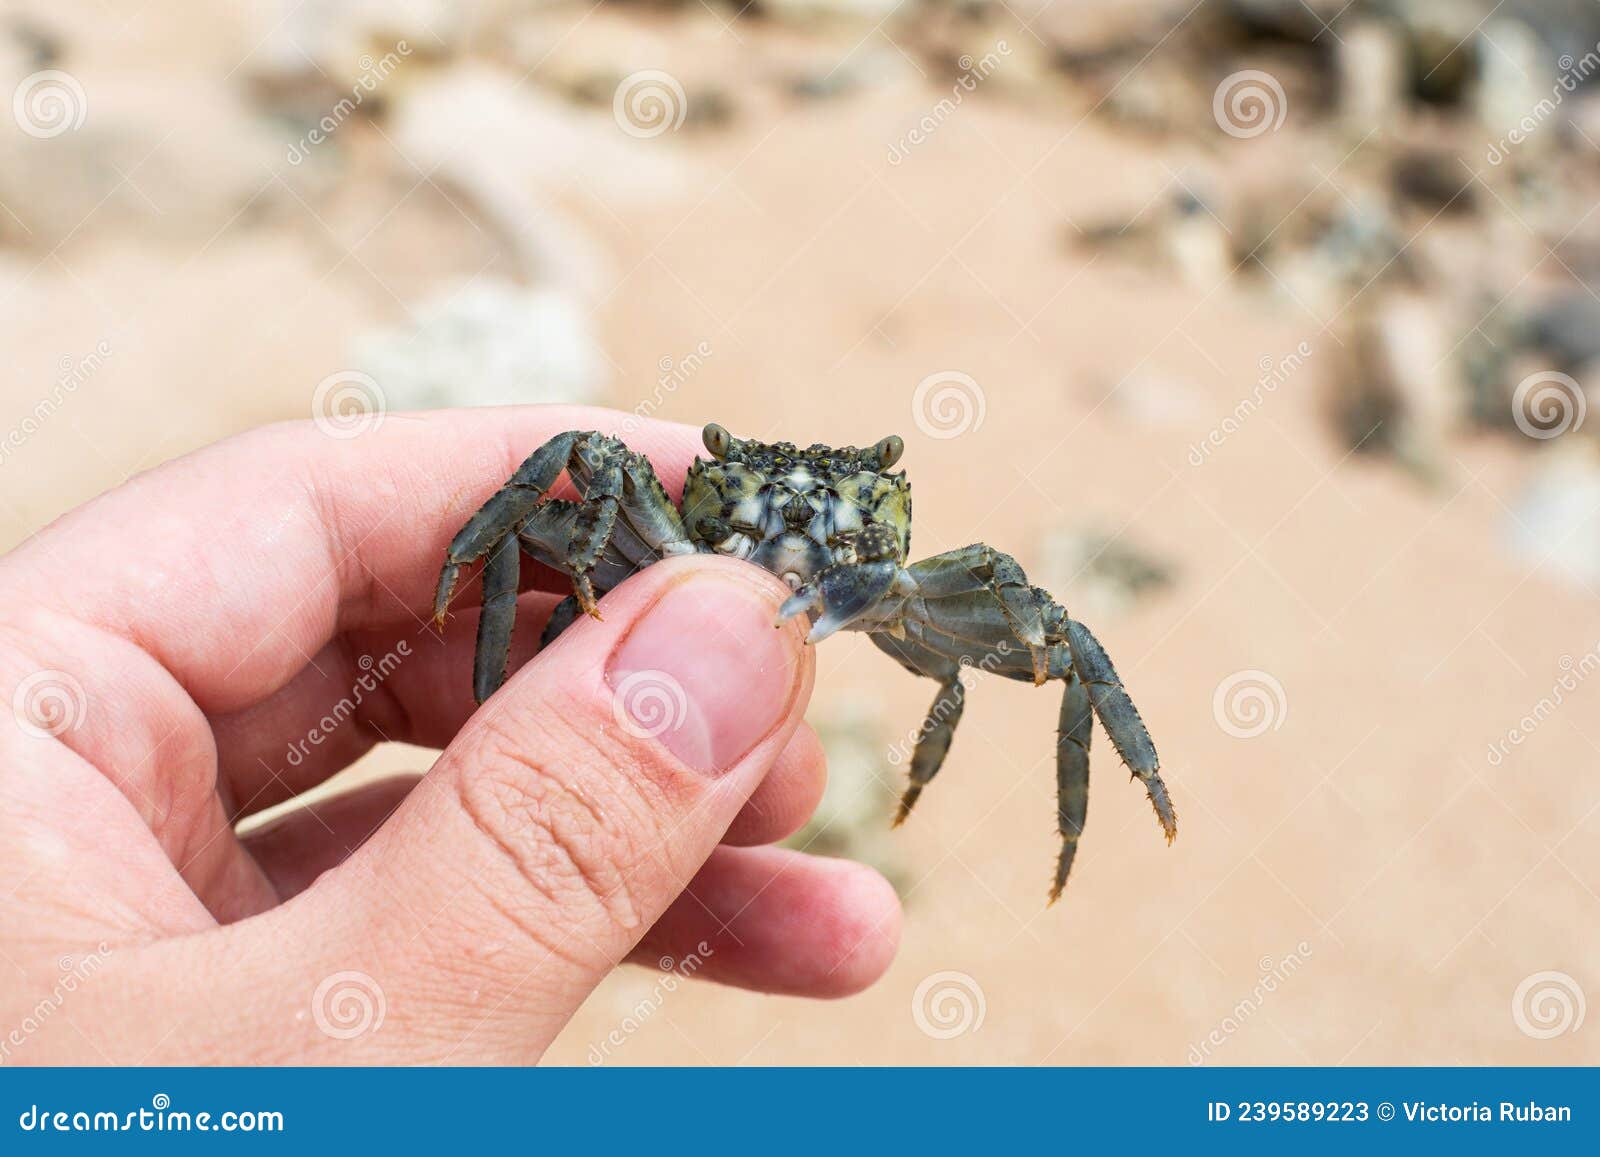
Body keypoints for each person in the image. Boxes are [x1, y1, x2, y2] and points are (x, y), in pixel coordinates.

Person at [0, 406, 901, 1063]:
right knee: (558, 502)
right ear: (715, 474)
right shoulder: (652, 508)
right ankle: (486, 690)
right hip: (648, 581)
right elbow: (562, 469)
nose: (792, 512)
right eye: (748, 484)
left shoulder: (924, 571)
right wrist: (581, 558)